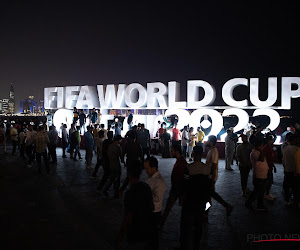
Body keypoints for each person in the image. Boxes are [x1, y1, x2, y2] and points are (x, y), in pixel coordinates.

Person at [115, 167, 155, 249]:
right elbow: (152, 207)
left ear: (129, 175)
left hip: (135, 233)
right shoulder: (146, 187)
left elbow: (128, 218)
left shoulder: (129, 194)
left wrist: (120, 237)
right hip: (147, 231)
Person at [180, 145, 211, 250]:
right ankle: (197, 245)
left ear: (193, 153)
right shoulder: (207, 169)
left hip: (190, 201)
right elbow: (209, 186)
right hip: (201, 201)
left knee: (187, 226)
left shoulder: (188, 168)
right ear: (202, 154)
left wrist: (182, 197)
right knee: (199, 225)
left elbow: (185, 185)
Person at [206, 135, 233, 216]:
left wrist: (212, 178)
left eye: (208, 140)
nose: (207, 142)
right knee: (211, 194)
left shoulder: (214, 152)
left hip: (210, 177)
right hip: (210, 176)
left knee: (210, 195)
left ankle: (206, 212)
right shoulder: (211, 151)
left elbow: (214, 166)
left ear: (211, 142)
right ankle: (226, 206)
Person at [161, 145, 187, 227]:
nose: (170, 152)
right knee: (168, 207)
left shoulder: (181, 163)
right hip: (176, 188)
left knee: (168, 207)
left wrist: (181, 194)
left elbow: (182, 179)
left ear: (177, 152)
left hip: (178, 189)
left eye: (172, 151)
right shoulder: (180, 161)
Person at [144, 156, 166, 250]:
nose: (146, 171)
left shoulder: (159, 181)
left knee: (153, 237)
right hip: (150, 211)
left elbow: (156, 198)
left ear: (154, 168)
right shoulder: (151, 178)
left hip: (154, 212)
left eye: (147, 168)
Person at [245, 139, 269, 211]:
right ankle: (249, 202)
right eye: (262, 146)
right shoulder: (254, 153)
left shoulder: (257, 152)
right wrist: (261, 150)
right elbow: (261, 159)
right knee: (257, 191)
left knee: (260, 191)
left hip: (262, 174)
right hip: (259, 175)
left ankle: (259, 204)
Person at [101, 134, 123, 199]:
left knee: (112, 178)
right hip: (116, 164)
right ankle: (115, 193)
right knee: (117, 179)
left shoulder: (110, 146)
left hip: (110, 164)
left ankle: (105, 190)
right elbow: (120, 156)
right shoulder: (118, 147)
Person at [282, 134, 297, 206]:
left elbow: (283, 160)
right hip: (294, 171)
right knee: (295, 186)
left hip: (287, 170)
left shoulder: (285, 148)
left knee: (286, 186)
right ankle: (296, 200)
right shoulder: (296, 149)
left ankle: (287, 200)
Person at [263, 134, 277, 201]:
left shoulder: (271, 147)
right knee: (268, 180)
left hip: (270, 166)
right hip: (268, 166)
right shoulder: (266, 148)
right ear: (268, 141)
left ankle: (267, 193)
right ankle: (266, 194)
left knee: (270, 180)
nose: (273, 141)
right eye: (272, 140)